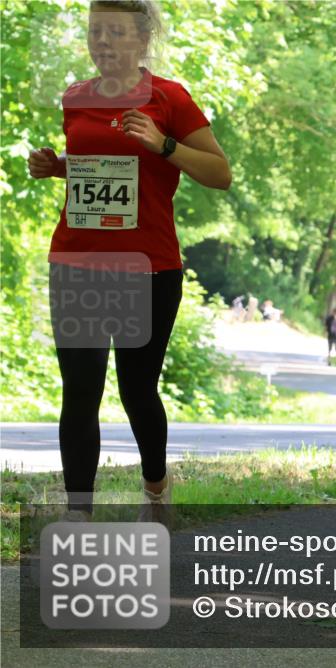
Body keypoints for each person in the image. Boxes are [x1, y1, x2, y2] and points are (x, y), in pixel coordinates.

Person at [29, 0, 231, 521]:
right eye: (96, 31)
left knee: (136, 390)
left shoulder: (170, 97)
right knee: (80, 389)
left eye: (115, 32)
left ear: (141, 40)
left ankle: (157, 488)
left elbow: (218, 173)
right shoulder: (76, 98)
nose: (102, 42)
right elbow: (102, 171)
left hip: (147, 267)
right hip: (77, 260)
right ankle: (78, 516)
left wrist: (164, 144)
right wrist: (58, 168)